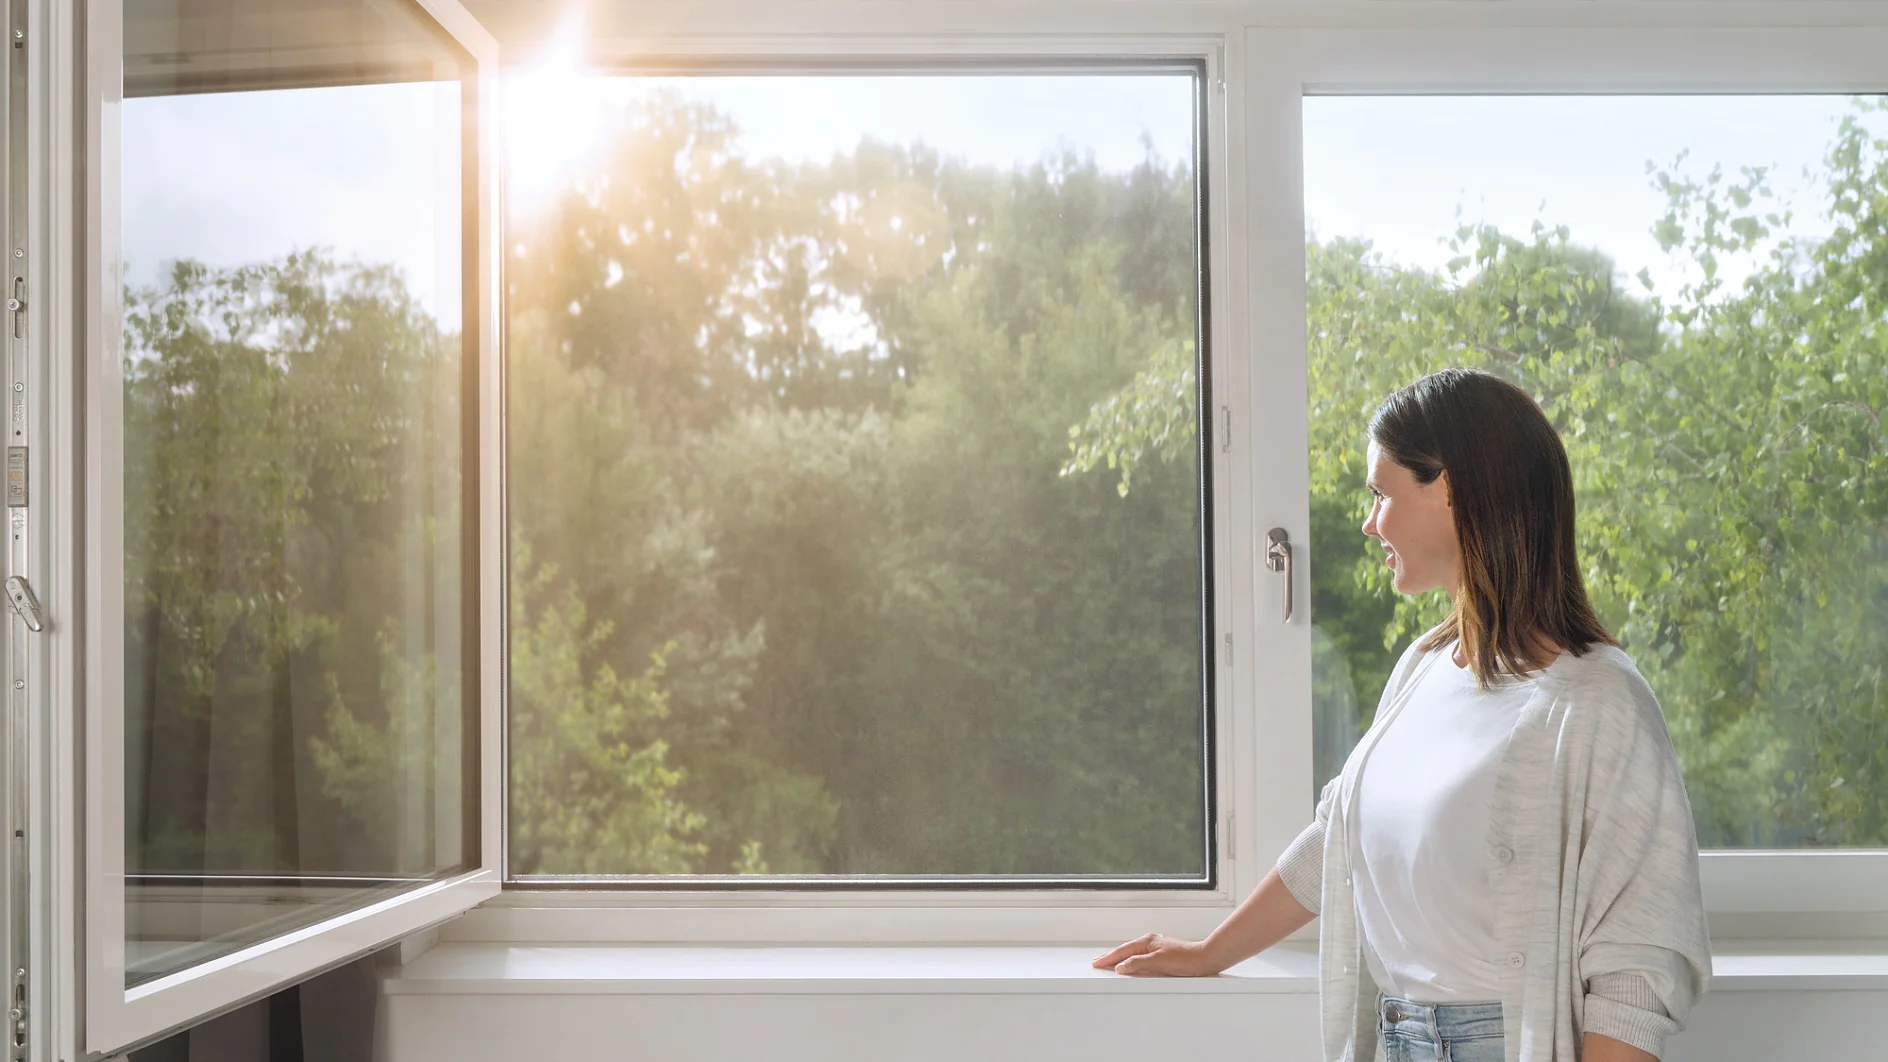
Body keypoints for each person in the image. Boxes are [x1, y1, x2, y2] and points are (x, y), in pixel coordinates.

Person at [1092, 368, 1711, 1062]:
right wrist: (1210, 952)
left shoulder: (1598, 701)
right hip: (1395, 1041)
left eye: (1381, 494)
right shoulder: (1423, 668)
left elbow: (1638, 965)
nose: (1369, 521)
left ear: (1449, 488)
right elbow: (1338, 837)